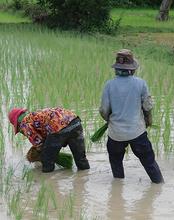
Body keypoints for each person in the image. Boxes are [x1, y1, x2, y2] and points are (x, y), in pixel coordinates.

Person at [99, 49, 164, 183]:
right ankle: (159, 185)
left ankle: (117, 193)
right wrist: (148, 120)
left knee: (116, 164)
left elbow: (104, 110)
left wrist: (110, 120)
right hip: (137, 132)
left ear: (116, 68)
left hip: (115, 134)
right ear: (132, 69)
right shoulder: (140, 83)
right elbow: (147, 106)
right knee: (149, 163)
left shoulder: (109, 85)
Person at [8, 107, 90, 172]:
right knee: (81, 159)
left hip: (58, 128)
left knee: (46, 160)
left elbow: (39, 143)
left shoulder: (24, 124)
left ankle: (48, 182)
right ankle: (84, 178)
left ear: (17, 123)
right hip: (75, 122)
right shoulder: (36, 114)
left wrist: (39, 153)